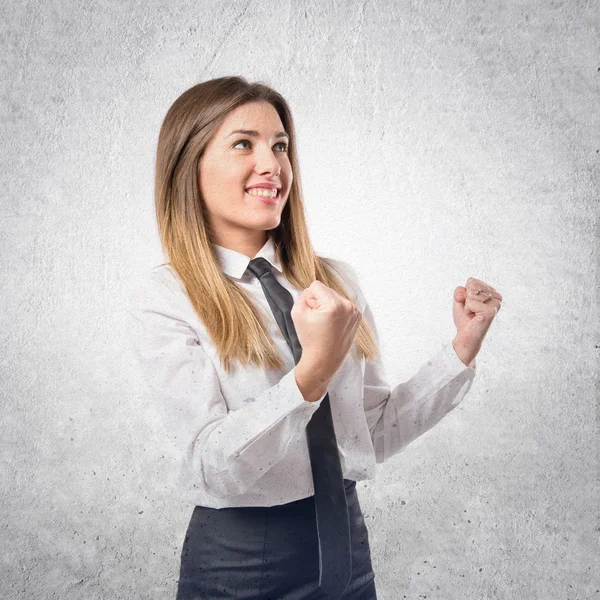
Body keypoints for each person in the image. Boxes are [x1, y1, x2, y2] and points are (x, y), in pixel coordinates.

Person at [126, 76, 501, 599]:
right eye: (244, 143)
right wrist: (311, 374)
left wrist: (462, 348)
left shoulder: (336, 282)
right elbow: (215, 469)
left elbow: (372, 433)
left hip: (346, 551)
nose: (272, 165)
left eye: (280, 146)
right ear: (190, 164)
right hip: (240, 566)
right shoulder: (168, 296)